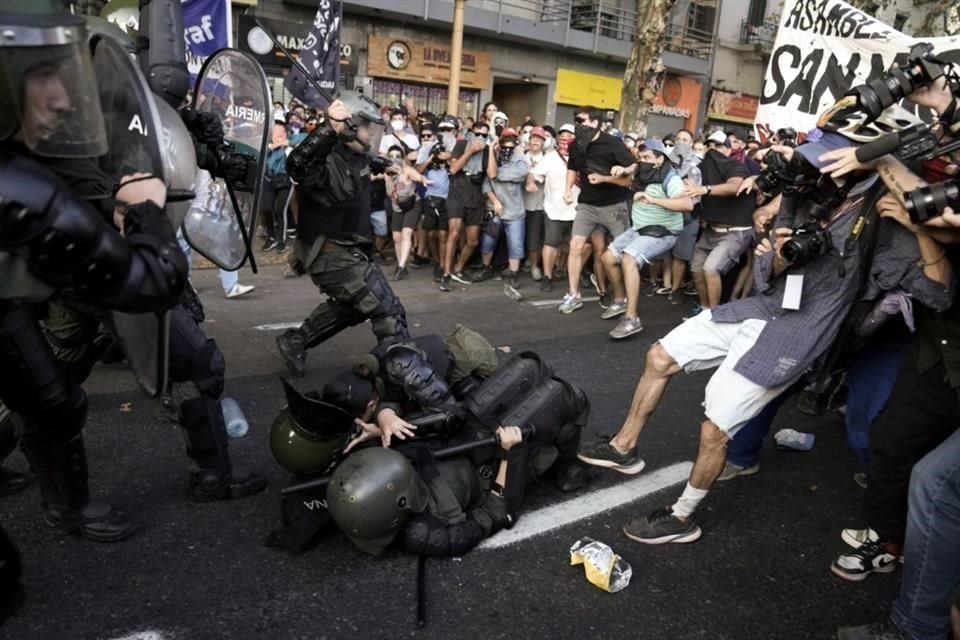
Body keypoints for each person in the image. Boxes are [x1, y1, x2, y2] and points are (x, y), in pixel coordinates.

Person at [575, 134, 940, 544]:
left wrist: (917, 228)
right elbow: (766, 270)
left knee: (715, 429)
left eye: (827, 162)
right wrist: (781, 254)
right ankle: (624, 448)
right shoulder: (804, 195)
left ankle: (681, 518)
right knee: (659, 356)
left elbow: (935, 293)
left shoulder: (882, 213)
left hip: (801, 331)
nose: (817, 170)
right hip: (761, 307)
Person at [0, 6, 189, 548]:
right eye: (43, 77)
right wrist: (146, 210)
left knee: (51, 400)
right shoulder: (19, 189)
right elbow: (154, 282)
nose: (63, 99)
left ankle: (67, 507)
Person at [269, 335, 591, 556]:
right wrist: (511, 455)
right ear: (400, 504)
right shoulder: (427, 533)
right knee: (563, 395)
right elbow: (498, 514)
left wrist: (382, 418)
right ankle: (567, 465)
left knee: (529, 366)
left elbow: (397, 415)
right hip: (494, 460)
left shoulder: (363, 476)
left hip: (464, 433)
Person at [277, 93, 410, 377]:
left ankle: (296, 340)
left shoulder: (355, 155)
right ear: (349, 126)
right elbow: (297, 166)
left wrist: (383, 165)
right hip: (329, 251)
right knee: (388, 311)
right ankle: (403, 376)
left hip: (347, 249)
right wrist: (329, 126)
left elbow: (364, 163)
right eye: (367, 128)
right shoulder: (324, 159)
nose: (372, 134)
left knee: (355, 306)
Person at [601, 139, 693, 339]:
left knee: (629, 258)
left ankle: (631, 319)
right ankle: (619, 300)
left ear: (659, 159)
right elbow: (630, 172)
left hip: (664, 231)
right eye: (641, 157)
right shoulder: (643, 172)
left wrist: (654, 200)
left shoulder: (670, 177)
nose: (642, 161)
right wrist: (617, 171)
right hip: (640, 228)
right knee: (607, 258)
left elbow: (687, 204)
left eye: (647, 158)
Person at [557, 106, 636, 314]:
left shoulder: (612, 143)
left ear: (595, 122)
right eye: (576, 120)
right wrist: (567, 190)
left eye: (582, 120)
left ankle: (624, 297)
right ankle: (573, 295)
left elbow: (632, 167)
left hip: (614, 205)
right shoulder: (576, 145)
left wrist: (623, 169)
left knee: (621, 253)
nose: (578, 124)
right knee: (575, 246)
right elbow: (572, 169)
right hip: (587, 204)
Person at [685, 130, 755, 313]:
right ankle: (705, 309)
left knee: (711, 269)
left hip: (735, 231)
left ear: (728, 149)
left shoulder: (734, 166)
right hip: (712, 229)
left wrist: (704, 189)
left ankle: (715, 316)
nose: (712, 150)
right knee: (697, 269)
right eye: (709, 146)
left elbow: (734, 186)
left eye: (717, 146)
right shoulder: (699, 169)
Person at [473, 127, 530, 293]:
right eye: (504, 143)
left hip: (515, 212)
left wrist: (495, 170)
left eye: (510, 143)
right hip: (495, 210)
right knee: (488, 241)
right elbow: (486, 184)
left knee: (516, 244)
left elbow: (495, 174)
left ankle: (513, 273)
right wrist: (491, 150)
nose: (507, 147)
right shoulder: (494, 156)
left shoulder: (520, 160)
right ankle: (486, 267)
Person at [440, 120, 490, 291]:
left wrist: (492, 150)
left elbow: (492, 173)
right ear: (471, 133)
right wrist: (470, 151)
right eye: (477, 133)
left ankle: (458, 268)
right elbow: (453, 169)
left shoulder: (487, 150)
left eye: (484, 134)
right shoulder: (461, 145)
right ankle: (446, 273)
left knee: (473, 241)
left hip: (476, 197)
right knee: (453, 233)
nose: (480, 137)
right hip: (457, 194)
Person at [529, 126, 578, 292]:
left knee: (580, 245)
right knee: (550, 244)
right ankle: (548, 277)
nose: (565, 138)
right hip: (554, 210)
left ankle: (570, 272)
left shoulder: (583, 156)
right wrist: (529, 182)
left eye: (570, 135)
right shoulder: (550, 158)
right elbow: (534, 174)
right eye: (562, 135)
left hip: (580, 210)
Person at [416, 115, 455, 283]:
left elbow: (457, 168)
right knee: (431, 234)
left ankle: (441, 266)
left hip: (447, 199)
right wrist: (431, 157)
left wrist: (449, 157)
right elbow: (417, 170)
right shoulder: (427, 148)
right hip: (430, 198)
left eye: (448, 129)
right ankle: (436, 260)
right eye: (442, 130)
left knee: (443, 235)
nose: (445, 133)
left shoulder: (452, 146)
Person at [386, 144, 430, 279]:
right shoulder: (386, 172)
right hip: (397, 206)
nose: (394, 159)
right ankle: (402, 265)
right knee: (396, 237)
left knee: (406, 233)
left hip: (412, 204)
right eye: (391, 156)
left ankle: (400, 267)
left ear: (403, 157)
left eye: (397, 156)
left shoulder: (407, 170)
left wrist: (424, 180)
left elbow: (418, 176)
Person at [523, 127, 550, 282]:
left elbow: (545, 177)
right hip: (519, 202)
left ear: (543, 142)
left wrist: (531, 174)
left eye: (539, 139)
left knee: (534, 236)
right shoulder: (521, 155)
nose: (535, 141)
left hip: (538, 203)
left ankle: (534, 265)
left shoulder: (548, 158)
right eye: (533, 138)